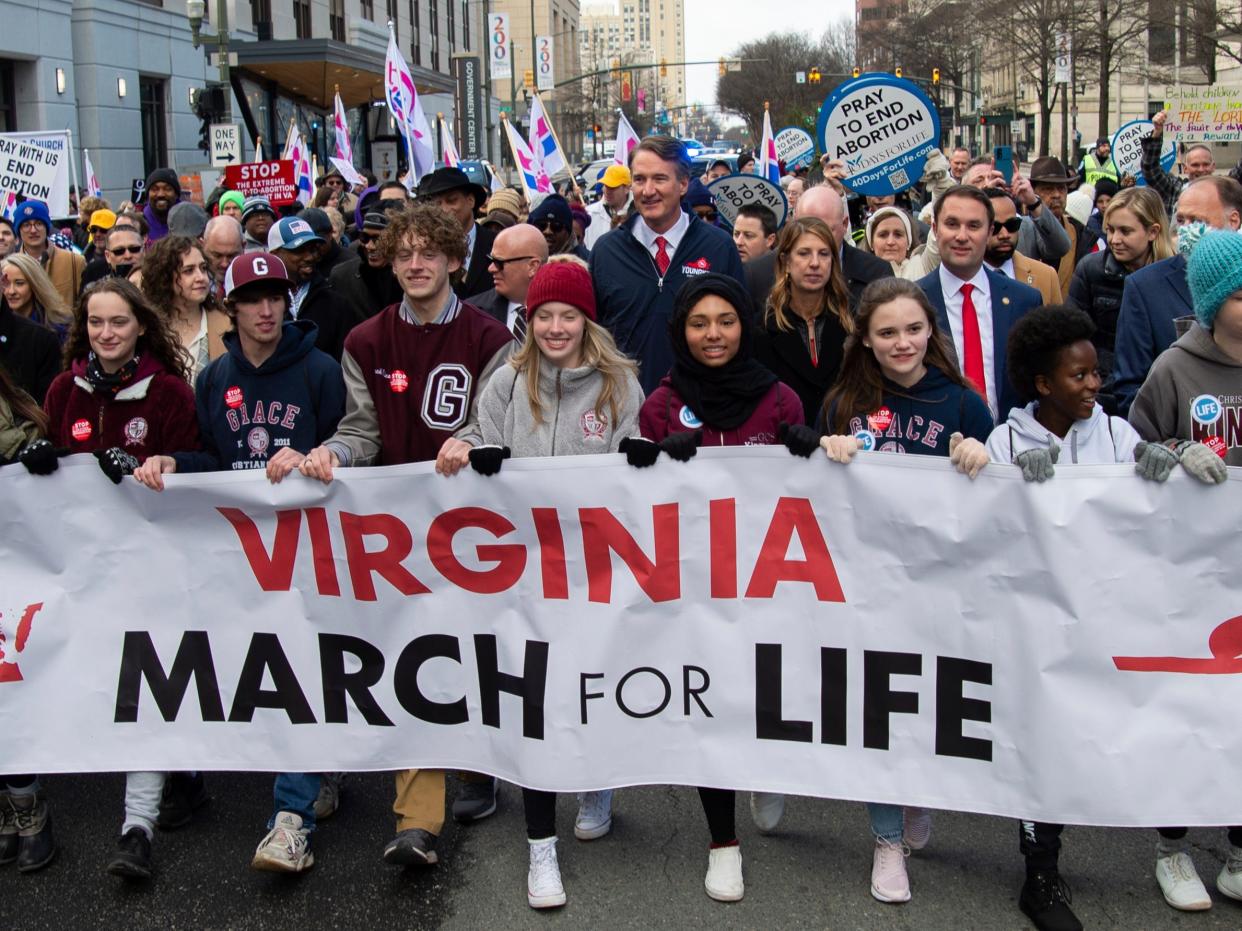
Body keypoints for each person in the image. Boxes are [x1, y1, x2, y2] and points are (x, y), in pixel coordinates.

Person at [298, 203, 514, 869]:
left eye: (428, 252)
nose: (415, 264)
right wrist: (334, 451)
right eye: (403, 255)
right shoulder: (365, 340)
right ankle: (416, 820)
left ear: (454, 259)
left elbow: (500, 425)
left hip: (476, 527)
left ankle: (478, 765)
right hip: (397, 531)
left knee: (474, 651)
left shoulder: (489, 337)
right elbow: (362, 429)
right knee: (414, 655)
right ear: (389, 264)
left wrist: (472, 440)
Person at [132, 252, 346, 874]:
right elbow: (212, 458)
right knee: (268, 671)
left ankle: (291, 820)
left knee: (303, 668)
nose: (266, 308)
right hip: (242, 551)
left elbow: (354, 450)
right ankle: (318, 771)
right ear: (230, 306)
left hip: (310, 547)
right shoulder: (215, 376)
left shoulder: (319, 369)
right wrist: (176, 462)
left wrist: (316, 454)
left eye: (276, 296)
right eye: (252, 298)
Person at [628, 272, 814, 904]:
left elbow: (812, 492)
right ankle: (723, 844)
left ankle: (766, 768)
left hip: (768, 587)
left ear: (745, 325)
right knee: (709, 706)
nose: (714, 334)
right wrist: (649, 458)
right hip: (695, 590)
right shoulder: (659, 405)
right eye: (699, 323)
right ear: (681, 331)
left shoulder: (780, 399)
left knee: (761, 693)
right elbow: (627, 497)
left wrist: (806, 453)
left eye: (727, 321)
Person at [463, 258, 642, 909]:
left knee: (589, 685)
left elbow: (637, 454)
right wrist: (467, 450)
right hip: (525, 573)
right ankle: (542, 849)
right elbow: (476, 438)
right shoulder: (508, 383)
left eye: (569, 314)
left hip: (594, 571)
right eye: (545, 316)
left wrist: (643, 454)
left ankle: (595, 779)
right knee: (535, 699)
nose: (557, 326)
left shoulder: (619, 383)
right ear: (528, 320)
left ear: (586, 319)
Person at [983, 304, 1166, 931]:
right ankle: (1041, 873)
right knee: (1041, 739)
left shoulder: (1116, 435)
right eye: (1079, 376)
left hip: (1105, 610)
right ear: (1041, 384)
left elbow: (1151, 501)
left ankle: (1170, 846)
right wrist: (1007, 481)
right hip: (1034, 618)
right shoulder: (1004, 440)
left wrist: (1165, 472)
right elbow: (984, 527)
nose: (1094, 386)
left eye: (1095, 374)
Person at [33, 278, 199, 881]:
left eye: (119, 323)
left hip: (152, 570)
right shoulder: (61, 390)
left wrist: (162, 465)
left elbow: (201, 467)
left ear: (141, 328)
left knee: (143, 689)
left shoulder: (169, 393)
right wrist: (39, 461)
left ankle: (137, 828)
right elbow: (48, 466)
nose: (107, 333)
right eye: (96, 322)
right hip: (85, 570)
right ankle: (186, 775)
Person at [1125, 229, 1238, 912]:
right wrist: (1171, 449)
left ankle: (1237, 845)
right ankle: (1171, 845)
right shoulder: (1175, 369)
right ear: (1216, 300)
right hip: (1190, 574)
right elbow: (1131, 452)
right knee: (1189, 707)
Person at [590, 136, 745, 395]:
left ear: (683, 183)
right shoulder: (606, 252)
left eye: (659, 179)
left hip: (702, 404)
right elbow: (593, 337)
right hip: (624, 407)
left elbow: (741, 330)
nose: (648, 190)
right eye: (639, 179)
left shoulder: (719, 247)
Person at [1113, 175, 1242, 414]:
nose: (1187, 230)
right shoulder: (1144, 286)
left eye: (1197, 220)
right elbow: (1129, 388)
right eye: (1181, 220)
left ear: (1233, 220)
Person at [918, 186, 1043, 423]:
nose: (962, 236)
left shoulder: (1024, 301)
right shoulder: (913, 300)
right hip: (938, 447)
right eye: (952, 224)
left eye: (973, 226)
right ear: (935, 229)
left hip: (1009, 444)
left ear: (989, 232)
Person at [0, 367, 58, 874]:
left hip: (10, 556)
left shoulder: (11, 409)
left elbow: (31, 437)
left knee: (7, 683)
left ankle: (27, 808)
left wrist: (28, 456)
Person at [1069, 187, 1173, 408]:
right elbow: (1071, 335)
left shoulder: (1175, 275)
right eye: (1110, 230)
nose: (1114, 239)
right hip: (1106, 394)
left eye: (1125, 231)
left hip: (1163, 391)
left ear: (1153, 231)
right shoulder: (1091, 270)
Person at [752, 217, 854, 423]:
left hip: (841, 443)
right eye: (804, 253)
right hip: (784, 444)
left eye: (823, 254)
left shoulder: (852, 323)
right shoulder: (761, 328)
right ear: (786, 262)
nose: (815, 263)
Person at [744, 184, 892, 312]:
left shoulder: (877, 273)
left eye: (826, 230)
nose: (817, 239)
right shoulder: (757, 274)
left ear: (845, 224)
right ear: (794, 222)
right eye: (807, 229)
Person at [267, 216, 361, 361]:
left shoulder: (336, 304)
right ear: (274, 255)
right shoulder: (261, 306)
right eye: (299, 250)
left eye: (312, 250)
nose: (310, 257)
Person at [140, 235, 230, 383]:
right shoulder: (148, 329)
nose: (201, 277)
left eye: (203, 268)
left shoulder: (227, 324)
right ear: (165, 278)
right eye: (189, 271)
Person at [416, 166, 496, 299]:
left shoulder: (496, 244)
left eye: (451, 201)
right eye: (437, 203)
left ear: (470, 201)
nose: (444, 209)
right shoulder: (423, 248)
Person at [465, 223, 549, 337]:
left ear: (533, 266)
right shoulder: (472, 313)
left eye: (499, 263)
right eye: (491, 260)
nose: (491, 268)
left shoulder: (563, 311)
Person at [982, 189, 1063, 305]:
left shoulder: (1046, 276)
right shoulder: (960, 274)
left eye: (1012, 225)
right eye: (995, 227)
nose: (1004, 235)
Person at [1028, 157, 1095, 295]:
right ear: (1032, 192)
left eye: (1061, 189)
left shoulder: (1082, 235)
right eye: (1048, 189)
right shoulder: (1015, 229)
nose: (1057, 195)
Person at [330, 211, 404, 322]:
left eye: (378, 239)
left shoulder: (410, 276)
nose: (370, 246)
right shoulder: (342, 277)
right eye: (364, 237)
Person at [12, 200, 85, 311]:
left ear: (46, 227)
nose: (33, 230)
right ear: (19, 230)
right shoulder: (12, 268)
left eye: (39, 224)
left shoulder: (74, 262)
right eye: (26, 225)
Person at [2, 253, 73, 342]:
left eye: (19, 283)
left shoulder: (58, 328)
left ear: (34, 285)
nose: (11, 291)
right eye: (6, 284)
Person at [865, 206, 941, 280]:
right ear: (871, 242)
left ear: (908, 242)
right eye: (883, 235)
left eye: (898, 235)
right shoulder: (860, 274)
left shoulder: (923, 266)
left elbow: (939, 226)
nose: (890, 242)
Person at [528, 194, 589, 261]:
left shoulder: (585, 262)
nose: (547, 231)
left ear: (568, 232)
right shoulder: (525, 258)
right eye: (542, 225)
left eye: (556, 226)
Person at [584, 165, 633, 248]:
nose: (607, 191)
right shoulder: (589, 214)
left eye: (612, 187)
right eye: (605, 185)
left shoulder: (640, 214)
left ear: (627, 189)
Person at [202, 216, 245, 300]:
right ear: (202, 245)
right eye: (217, 255)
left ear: (243, 247)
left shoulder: (252, 281)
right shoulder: (187, 285)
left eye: (231, 256)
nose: (224, 264)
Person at [142, 169, 182, 243]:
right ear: (148, 195)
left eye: (167, 189)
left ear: (176, 194)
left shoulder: (188, 219)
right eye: (154, 189)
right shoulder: (139, 223)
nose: (161, 194)